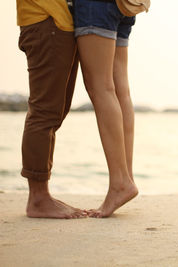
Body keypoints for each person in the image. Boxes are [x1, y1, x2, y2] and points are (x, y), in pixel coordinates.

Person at [17, 0, 86, 218]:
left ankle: (41, 194)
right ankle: (38, 198)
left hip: (60, 23)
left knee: (56, 112)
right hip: (46, 20)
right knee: (44, 113)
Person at [74, 0, 139, 218]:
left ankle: (120, 182)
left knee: (101, 87)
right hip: (125, 4)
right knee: (120, 89)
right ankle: (125, 178)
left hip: (95, 5)